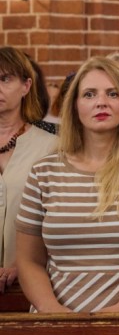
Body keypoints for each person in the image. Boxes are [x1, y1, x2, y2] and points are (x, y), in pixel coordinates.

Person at [15, 57, 119, 312]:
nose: (101, 102)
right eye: (89, 94)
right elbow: (29, 261)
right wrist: (52, 311)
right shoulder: (44, 172)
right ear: (75, 105)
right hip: (55, 319)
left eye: (113, 94)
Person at [0, 48, 58, 292]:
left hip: (32, 282)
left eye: (5, 79)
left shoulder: (51, 146)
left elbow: (60, 218)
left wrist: (22, 263)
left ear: (26, 86)